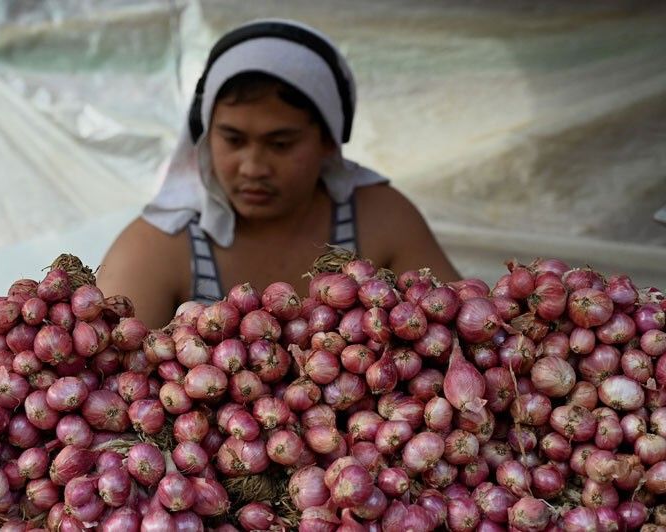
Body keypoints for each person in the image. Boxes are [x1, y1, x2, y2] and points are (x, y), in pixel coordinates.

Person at [98, 19, 459, 328]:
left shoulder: (381, 219)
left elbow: (461, 325)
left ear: (329, 142)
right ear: (206, 137)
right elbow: (103, 370)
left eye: (281, 144)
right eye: (233, 139)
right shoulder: (160, 246)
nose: (253, 167)